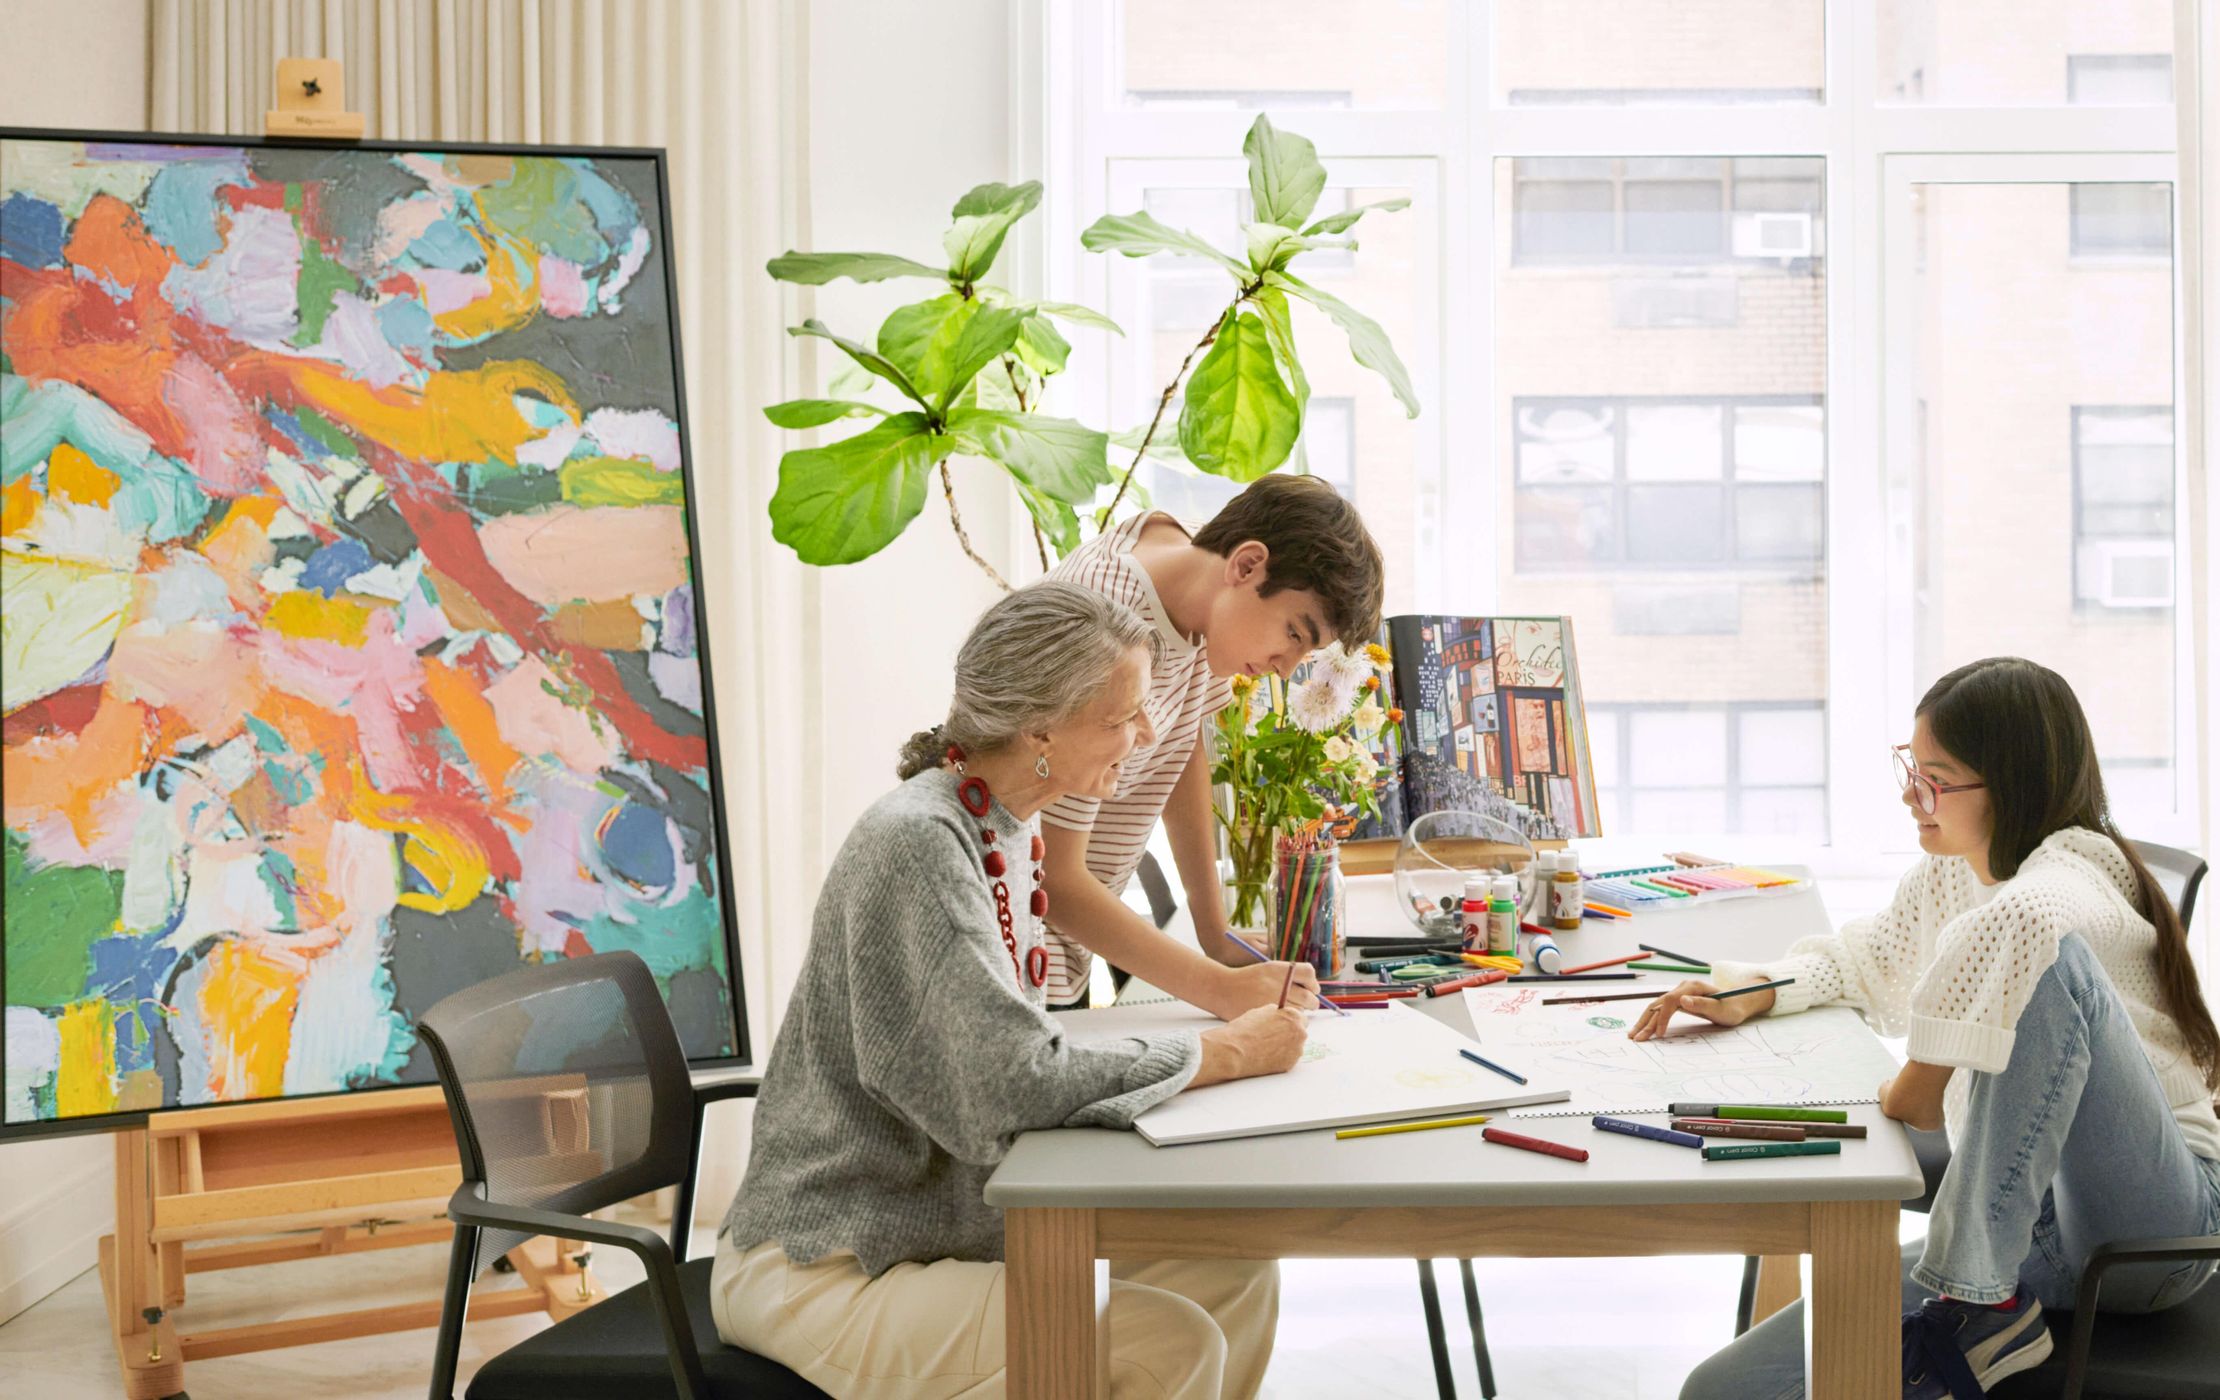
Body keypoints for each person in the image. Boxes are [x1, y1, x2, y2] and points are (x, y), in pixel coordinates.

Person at [714, 581, 1310, 1399]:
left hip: (939, 1231)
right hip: (831, 1265)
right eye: (1121, 717)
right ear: (1038, 733)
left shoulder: (1002, 823)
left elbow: (1014, 1052)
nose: (1145, 736)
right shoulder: (919, 844)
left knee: (1233, 1266)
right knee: (1161, 1342)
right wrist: (1220, 1054)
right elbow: (1008, 1082)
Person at [1663, 657, 2220, 1399]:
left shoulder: (2075, 876)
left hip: (2152, 1233)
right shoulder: (1955, 871)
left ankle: (1978, 1302)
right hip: (2025, 1230)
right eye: (1910, 767)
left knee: (2049, 960)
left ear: (2012, 784)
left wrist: (1919, 1081)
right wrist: (1761, 990)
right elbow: (1872, 955)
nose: (1909, 795)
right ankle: (1981, 1297)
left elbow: (2025, 928)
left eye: (1936, 777)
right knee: (1726, 1389)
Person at [1041, 472, 1386, 1013]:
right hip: (1011, 956)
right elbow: (1054, 880)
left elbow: (1180, 751)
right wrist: (1216, 987)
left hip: (1065, 949)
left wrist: (1214, 933)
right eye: (1295, 633)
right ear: (1247, 565)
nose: (1283, 670)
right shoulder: (1102, 630)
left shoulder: (1199, 590)